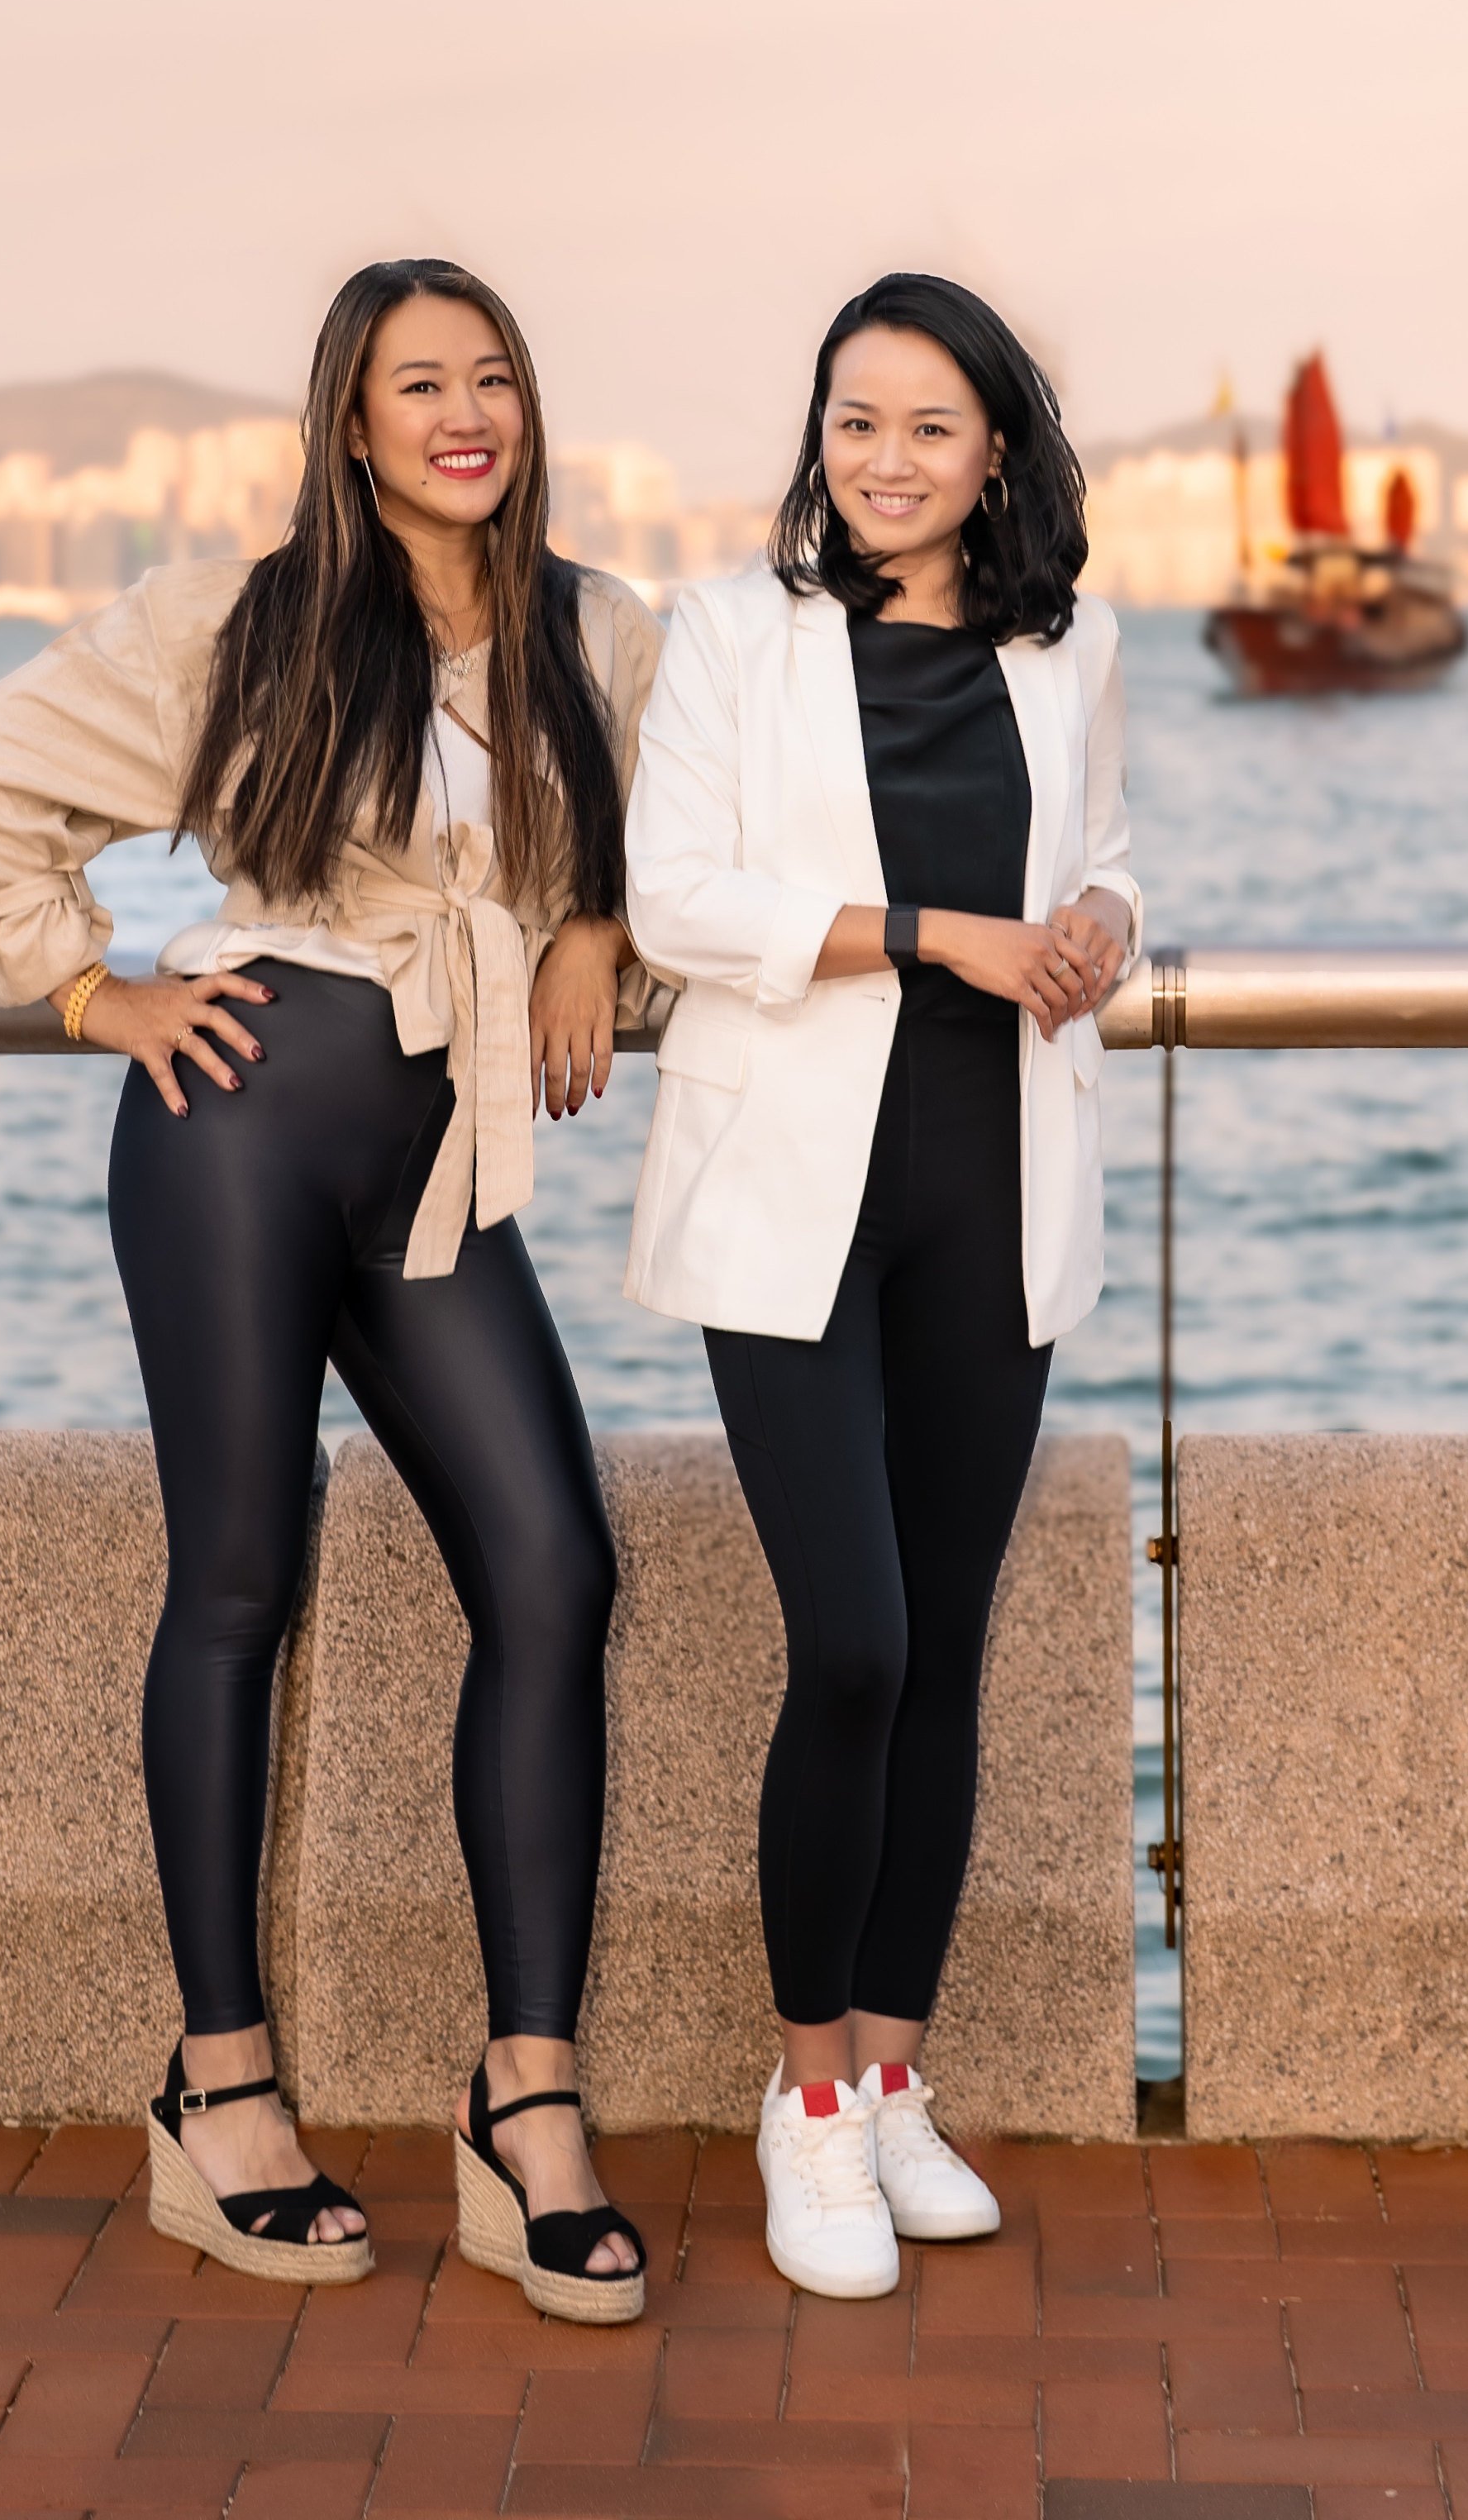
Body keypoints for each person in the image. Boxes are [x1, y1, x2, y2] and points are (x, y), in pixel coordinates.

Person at [0, 260, 658, 2325]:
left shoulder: (600, 631)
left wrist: (592, 920)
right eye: (420, 382)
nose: (464, 411)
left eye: (492, 372)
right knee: (236, 1580)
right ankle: (219, 2089)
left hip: (440, 1174)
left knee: (557, 1567)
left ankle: (527, 2102)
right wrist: (94, 979)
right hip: (232, 1132)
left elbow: (686, 859)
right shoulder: (237, 620)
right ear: (351, 420)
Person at [622, 272, 1138, 2299]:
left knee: (941, 1650)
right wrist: (946, 931)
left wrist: (1091, 914)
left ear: (997, 445)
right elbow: (677, 896)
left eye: (929, 425)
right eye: (855, 422)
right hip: (790, 1206)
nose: (887, 460)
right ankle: (807, 2092)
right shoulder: (737, 634)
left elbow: (1108, 857)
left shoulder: (1069, 642)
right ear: (819, 438)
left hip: (993, 1198)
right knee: (848, 1638)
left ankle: (897, 2066)